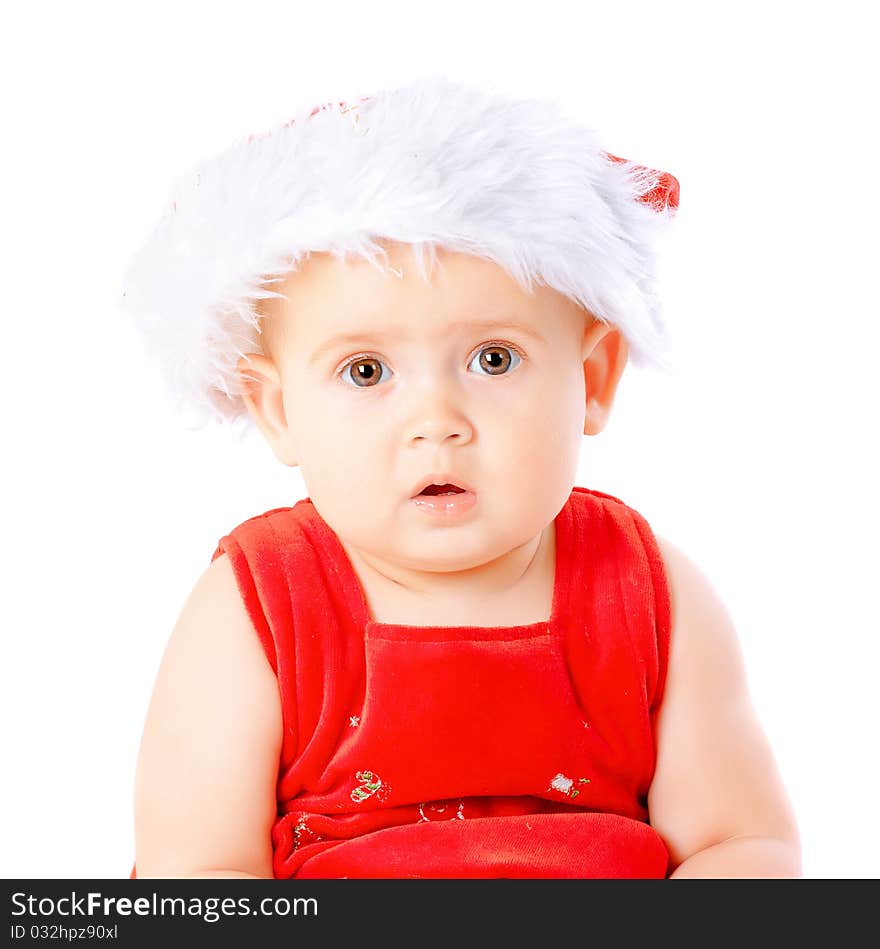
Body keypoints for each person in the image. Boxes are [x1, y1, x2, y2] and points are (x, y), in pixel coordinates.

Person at [121, 77, 800, 879]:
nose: (436, 418)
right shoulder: (257, 609)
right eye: (366, 370)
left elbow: (738, 843)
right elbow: (198, 876)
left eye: (493, 359)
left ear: (594, 378)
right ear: (276, 409)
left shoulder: (649, 593)